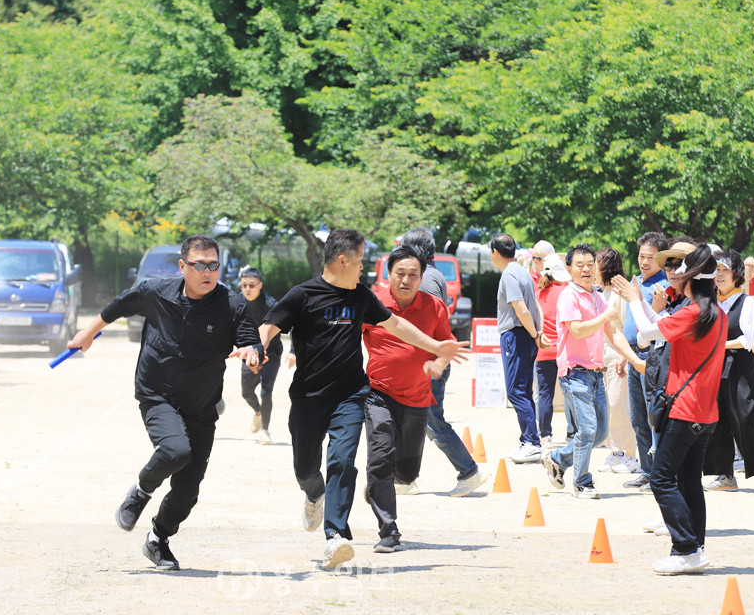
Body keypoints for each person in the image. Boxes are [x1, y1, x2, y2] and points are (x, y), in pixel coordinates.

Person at [258, 228, 469, 569]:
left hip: (351, 394)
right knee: (305, 468)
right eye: (359, 261)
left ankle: (336, 536)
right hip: (308, 397)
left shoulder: (361, 297)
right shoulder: (303, 294)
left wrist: (436, 347)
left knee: (343, 461)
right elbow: (269, 326)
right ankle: (314, 492)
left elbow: (396, 325)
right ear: (343, 261)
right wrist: (257, 348)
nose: (364, 268)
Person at [68, 235, 263, 571]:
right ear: (183, 266)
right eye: (199, 265)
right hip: (157, 393)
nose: (207, 272)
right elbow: (119, 306)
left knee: (188, 491)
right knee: (175, 451)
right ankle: (141, 492)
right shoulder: (155, 291)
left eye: (213, 265)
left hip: (201, 406)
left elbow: (251, 341)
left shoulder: (231, 305)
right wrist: (88, 332)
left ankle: (157, 539)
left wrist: (252, 352)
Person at [615, 245, 727, 574]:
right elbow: (658, 328)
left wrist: (634, 300)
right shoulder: (714, 313)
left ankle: (686, 548)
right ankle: (695, 549)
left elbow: (646, 336)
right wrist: (644, 304)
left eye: (682, 272)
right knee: (689, 481)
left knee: (661, 478)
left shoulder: (694, 314)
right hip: (705, 412)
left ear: (692, 280)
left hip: (685, 409)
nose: (676, 276)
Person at [361, 246, 468, 552]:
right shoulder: (373, 305)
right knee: (379, 459)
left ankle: (378, 484)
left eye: (413, 274)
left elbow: (445, 345)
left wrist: (439, 365)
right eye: (400, 273)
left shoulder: (434, 306)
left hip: (418, 400)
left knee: (407, 474)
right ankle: (389, 531)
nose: (406, 280)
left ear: (422, 278)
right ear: (388, 275)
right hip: (379, 394)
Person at [540, 245, 644, 499]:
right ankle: (582, 483)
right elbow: (577, 330)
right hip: (575, 373)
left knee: (599, 434)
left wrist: (635, 361)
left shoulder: (597, 297)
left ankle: (557, 459)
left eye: (590, 263)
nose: (586, 269)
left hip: (596, 373)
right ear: (569, 269)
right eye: (580, 265)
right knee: (587, 431)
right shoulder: (569, 296)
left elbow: (614, 333)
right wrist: (605, 316)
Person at [401, 227, 487, 497]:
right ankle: (404, 479)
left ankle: (469, 471)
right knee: (414, 420)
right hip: (428, 359)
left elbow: (426, 323)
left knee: (432, 422)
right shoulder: (431, 274)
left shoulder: (425, 279)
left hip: (429, 361)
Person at [701, 249, 754, 492]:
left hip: (739, 366)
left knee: (747, 418)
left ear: (737, 275)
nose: (720, 275)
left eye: (725, 270)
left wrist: (720, 345)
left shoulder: (746, 302)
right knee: (717, 420)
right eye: (717, 270)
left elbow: (751, 339)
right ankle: (725, 475)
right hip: (713, 367)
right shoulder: (710, 301)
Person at [490, 233, 548, 463]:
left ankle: (532, 442)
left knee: (515, 391)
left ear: (495, 252)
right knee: (524, 391)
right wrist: (536, 333)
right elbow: (534, 308)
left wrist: (534, 334)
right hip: (526, 335)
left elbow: (521, 309)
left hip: (516, 335)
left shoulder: (509, 274)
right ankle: (527, 440)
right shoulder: (522, 272)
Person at [621, 232, 669, 491]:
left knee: (653, 416)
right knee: (637, 417)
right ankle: (646, 470)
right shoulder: (635, 282)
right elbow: (628, 320)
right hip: (632, 354)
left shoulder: (665, 286)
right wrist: (623, 354)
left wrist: (658, 308)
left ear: (661, 259)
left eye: (650, 257)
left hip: (651, 355)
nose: (644, 262)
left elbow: (662, 324)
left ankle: (658, 473)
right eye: (641, 256)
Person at [595, 248, 640, 474]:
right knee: (610, 406)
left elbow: (627, 327)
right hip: (603, 356)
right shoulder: (601, 292)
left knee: (620, 404)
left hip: (618, 355)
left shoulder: (620, 292)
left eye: (595, 263)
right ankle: (616, 451)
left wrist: (624, 355)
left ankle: (630, 454)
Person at [236, 266, 283, 445]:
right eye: (244, 285)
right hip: (249, 351)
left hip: (272, 352)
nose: (247, 289)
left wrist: (294, 352)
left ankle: (265, 431)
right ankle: (257, 412)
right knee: (246, 393)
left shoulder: (271, 304)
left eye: (251, 285)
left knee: (266, 391)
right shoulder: (237, 302)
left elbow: (292, 324)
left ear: (260, 285)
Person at [534, 253, 573, 449]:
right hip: (564, 351)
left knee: (545, 394)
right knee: (571, 393)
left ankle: (545, 436)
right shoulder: (566, 291)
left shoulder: (538, 294)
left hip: (543, 351)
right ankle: (573, 433)